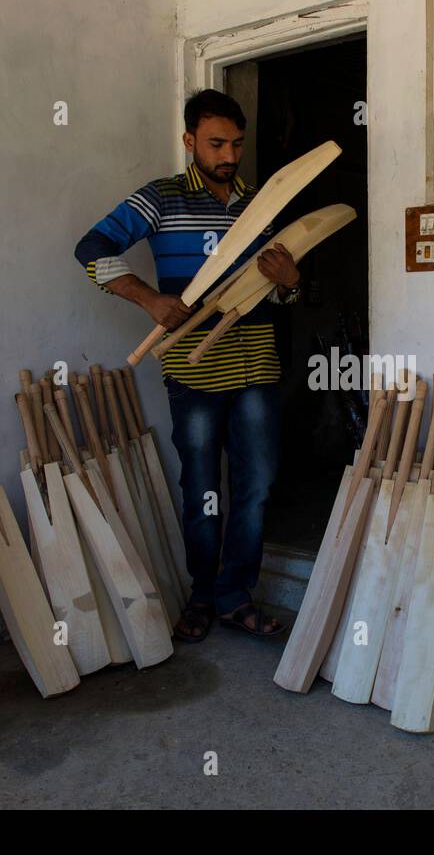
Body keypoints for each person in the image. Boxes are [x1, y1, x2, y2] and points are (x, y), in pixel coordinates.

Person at [74, 89, 302, 641]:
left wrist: (290, 285)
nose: (229, 155)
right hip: (194, 368)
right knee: (202, 486)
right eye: (217, 143)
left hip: (256, 368)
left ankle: (234, 597)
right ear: (189, 141)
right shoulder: (162, 197)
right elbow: (90, 248)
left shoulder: (261, 203)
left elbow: (278, 295)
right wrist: (148, 298)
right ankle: (202, 595)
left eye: (237, 144)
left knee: (257, 486)